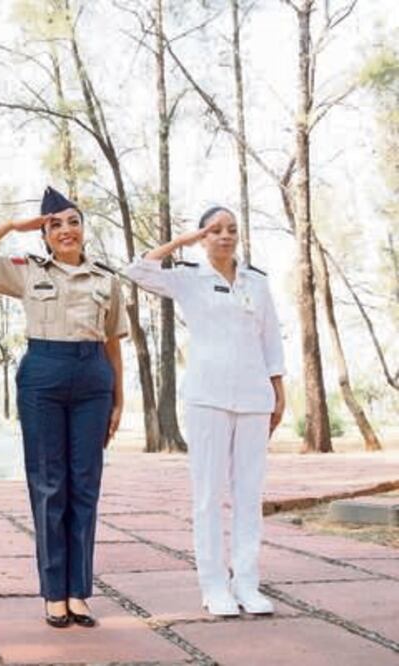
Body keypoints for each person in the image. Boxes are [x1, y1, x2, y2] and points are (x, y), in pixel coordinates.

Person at [0, 187, 127, 628]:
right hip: (43, 376)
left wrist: (118, 398)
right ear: (44, 234)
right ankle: (55, 591)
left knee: (85, 484)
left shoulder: (106, 279)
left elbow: (112, 344)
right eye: (55, 224)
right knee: (50, 484)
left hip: (93, 378)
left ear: (84, 228)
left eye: (73, 221)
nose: (66, 230)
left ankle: (79, 591)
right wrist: (14, 225)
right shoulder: (28, 271)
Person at [123, 206, 285, 617]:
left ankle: (246, 583)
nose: (225, 236)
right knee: (209, 496)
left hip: (253, 396)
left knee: (249, 496)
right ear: (203, 237)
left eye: (232, 229)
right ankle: (214, 586)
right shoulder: (190, 279)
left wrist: (278, 389)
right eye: (215, 230)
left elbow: (271, 340)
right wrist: (183, 243)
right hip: (207, 397)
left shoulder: (257, 282)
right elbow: (137, 270)